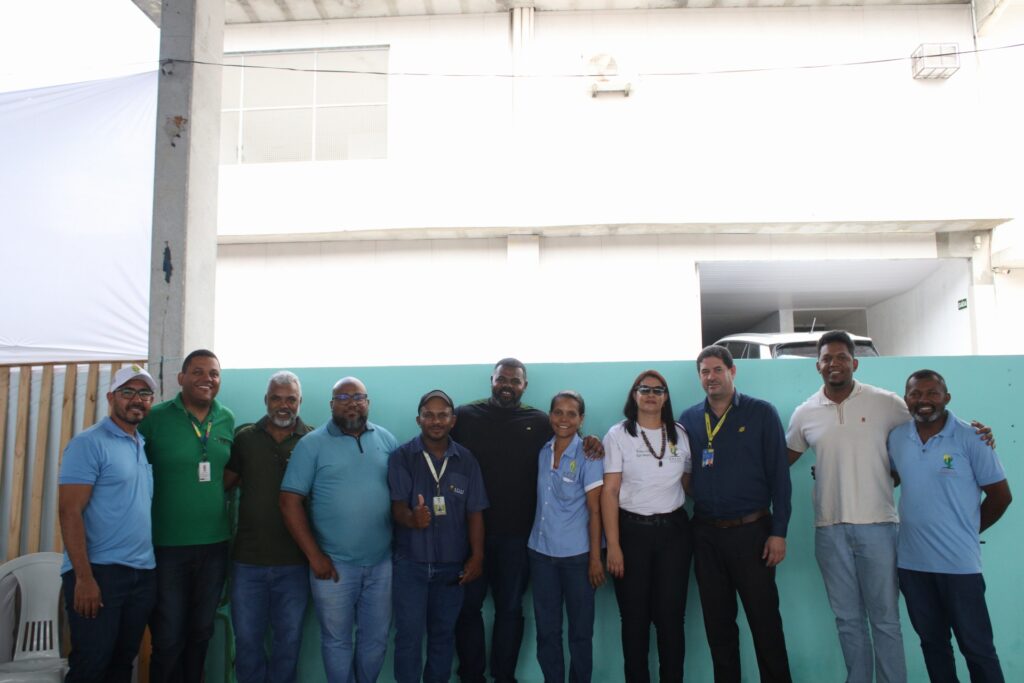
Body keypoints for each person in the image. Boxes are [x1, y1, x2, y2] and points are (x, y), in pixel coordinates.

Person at [786, 330, 993, 683]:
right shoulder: (805, 413)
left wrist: (979, 435)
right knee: (847, 620)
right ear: (817, 365)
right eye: (826, 358)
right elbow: (782, 461)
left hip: (879, 526)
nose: (834, 363)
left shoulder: (886, 403)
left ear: (855, 363)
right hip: (829, 528)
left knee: (885, 620)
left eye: (841, 357)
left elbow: (930, 422)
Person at [888, 370, 1012, 683]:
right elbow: (893, 477)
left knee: (977, 648)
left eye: (932, 393)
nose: (924, 400)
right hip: (912, 565)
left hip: (959, 566)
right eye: (916, 394)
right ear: (906, 399)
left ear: (947, 397)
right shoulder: (897, 437)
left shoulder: (972, 437)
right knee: (933, 645)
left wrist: (967, 530)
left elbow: (1001, 496)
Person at [679, 346, 792, 683]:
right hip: (706, 535)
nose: (710, 377)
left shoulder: (761, 413)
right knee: (718, 626)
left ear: (732, 371)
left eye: (717, 370)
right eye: (704, 372)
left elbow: (780, 477)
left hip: (753, 534)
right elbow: (682, 469)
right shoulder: (689, 419)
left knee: (765, 622)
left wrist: (779, 532)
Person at [279, 376, 397, 683]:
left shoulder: (386, 440)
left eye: (358, 397)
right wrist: (315, 556)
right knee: (336, 640)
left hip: (381, 564)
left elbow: (399, 497)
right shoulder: (311, 444)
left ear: (368, 403)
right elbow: (289, 502)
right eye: (343, 398)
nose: (351, 403)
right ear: (332, 405)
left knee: (376, 640)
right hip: (333, 566)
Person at [58, 365, 159, 683]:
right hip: (100, 574)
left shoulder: (140, 443)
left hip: (141, 573)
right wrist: (84, 578)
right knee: (91, 664)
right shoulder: (89, 443)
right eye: (128, 392)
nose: (137, 400)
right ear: (110, 397)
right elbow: (69, 512)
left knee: (121, 664)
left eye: (144, 393)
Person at [139, 349, 235, 683]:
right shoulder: (155, 419)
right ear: (181, 378)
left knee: (201, 633)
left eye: (214, 373)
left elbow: (228, 473)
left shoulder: (226, 419)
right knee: (168, 638)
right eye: (198, 372)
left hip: (215, 546)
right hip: (166, 546)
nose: (207, 379)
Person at [389, 389, 488, 683]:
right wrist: (412, 518)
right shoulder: (402, 457)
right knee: (408, 637)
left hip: (451, 567)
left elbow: (475, 512)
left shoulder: (466, 460)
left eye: (442, 415)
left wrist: (477, 556)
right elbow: (397, 507)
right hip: (411, 564)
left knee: (443, 636)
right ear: (418, 419)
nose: (436, 421)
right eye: (429, 415)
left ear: (452, 420)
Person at [223, 371, 313, 683]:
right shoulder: (245, 438)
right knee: (248, 643)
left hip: (295, 563)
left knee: (288, 643)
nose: (284, 405)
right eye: (277, 398)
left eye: (291, 399)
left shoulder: (313, 440)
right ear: (266, 400)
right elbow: (225, 484)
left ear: (300, 401)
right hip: (248, 562)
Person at [602, 371, 691, 683]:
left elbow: (688, 481)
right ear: (634, 395)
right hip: (631, 534)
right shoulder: (618, 435)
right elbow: (610, 492)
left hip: (674, 534)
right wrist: (613, 546)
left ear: (666, 397)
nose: (651, 395)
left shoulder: (680, 433)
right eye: (644, 389)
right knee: (634, 619)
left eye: (658, 390)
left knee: (671, 619)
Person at [529, 391, 604, 683]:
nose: (564, 419)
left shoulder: (589, 455)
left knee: (580, 633)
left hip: (578, 558)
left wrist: (595, 559)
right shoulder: (543, 451)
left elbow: (595, 510)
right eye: (558, 412)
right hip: (541, 554)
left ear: (581, 419)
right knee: (547, 632)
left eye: (571, 414)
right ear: (550, 416)